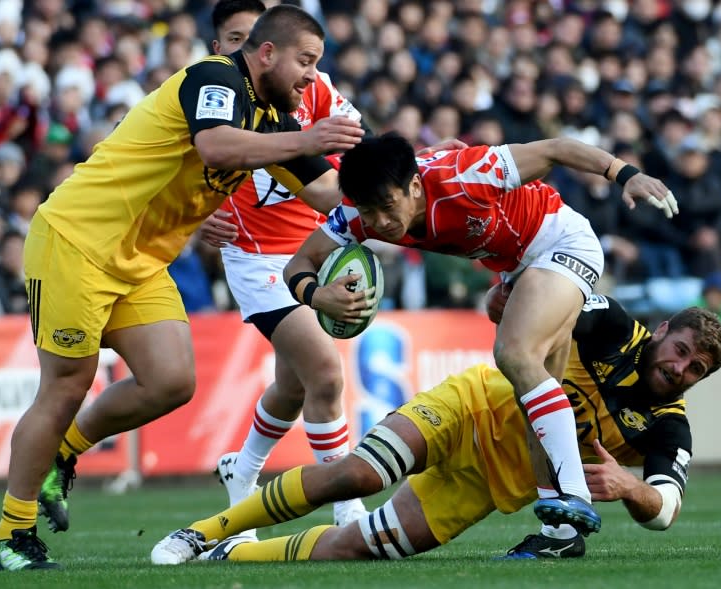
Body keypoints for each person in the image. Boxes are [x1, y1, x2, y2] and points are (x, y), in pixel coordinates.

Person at [0, 4, 366, 571]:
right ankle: (11, 534)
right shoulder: (214, 78)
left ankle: (63, 452)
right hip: (76, 241)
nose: (312, 76)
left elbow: (328, 192)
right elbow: (215, 146)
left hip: (139, 259)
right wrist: (305, 137)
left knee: (171, 381)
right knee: (67, 384)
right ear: (266, 53)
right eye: (305, 62)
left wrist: (417, 190)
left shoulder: (275, 118)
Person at [283, 132, 678, 534]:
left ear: (414, 186)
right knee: (534, 397)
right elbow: (299, 262)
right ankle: (559, 531)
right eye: (369, 213)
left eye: (388, 206)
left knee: (515, 353)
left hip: (563, 242)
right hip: (519, 268)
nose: (381, 223)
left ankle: (572, 495)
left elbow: (554, 149)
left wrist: (624, 173)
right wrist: (317, 296)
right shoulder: (356, 214)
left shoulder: (467, 175)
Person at [149, 295, 721, 563]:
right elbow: (542, 299)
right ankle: (200, 532)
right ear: (660, 331)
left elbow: (666, 510)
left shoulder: (667, 427)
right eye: (679, 350)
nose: (680, 369)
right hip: (470, 407)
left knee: (359, 547)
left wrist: (632, 489)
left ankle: (228, 557)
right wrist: (505, 299)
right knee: (356, 474)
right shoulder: (614, 329)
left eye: (695, 369)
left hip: (487, 487)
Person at [196, 0, 370, 533]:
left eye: (255, 35)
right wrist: (193, 221)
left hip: (310, 250)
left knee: (294, 386)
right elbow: (155, 168)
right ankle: (347, 505)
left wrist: (417, 164)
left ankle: (241, 471)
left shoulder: (310, 86)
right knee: (324, 370)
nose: (246, 47)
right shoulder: (207, 96)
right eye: (234, 37)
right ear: (221, 47)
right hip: (255, 258)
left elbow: (357, 150)